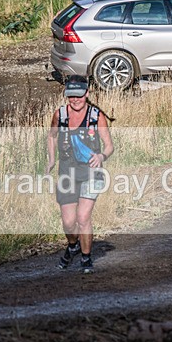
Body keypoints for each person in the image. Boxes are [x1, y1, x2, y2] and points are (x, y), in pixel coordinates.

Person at [47, 76, 114, 271]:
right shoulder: (60, 115)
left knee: (83, 217)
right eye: (71, 96)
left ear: (86, 93)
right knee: (69, 223)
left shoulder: (96, 116)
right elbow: (51, 136)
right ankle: (73, 245)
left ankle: (86, 258)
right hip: (67, 174)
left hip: (91, 173)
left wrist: (101, 156)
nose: (75, 100)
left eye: (79, 96)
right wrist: (51, 159)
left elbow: (109, 146)